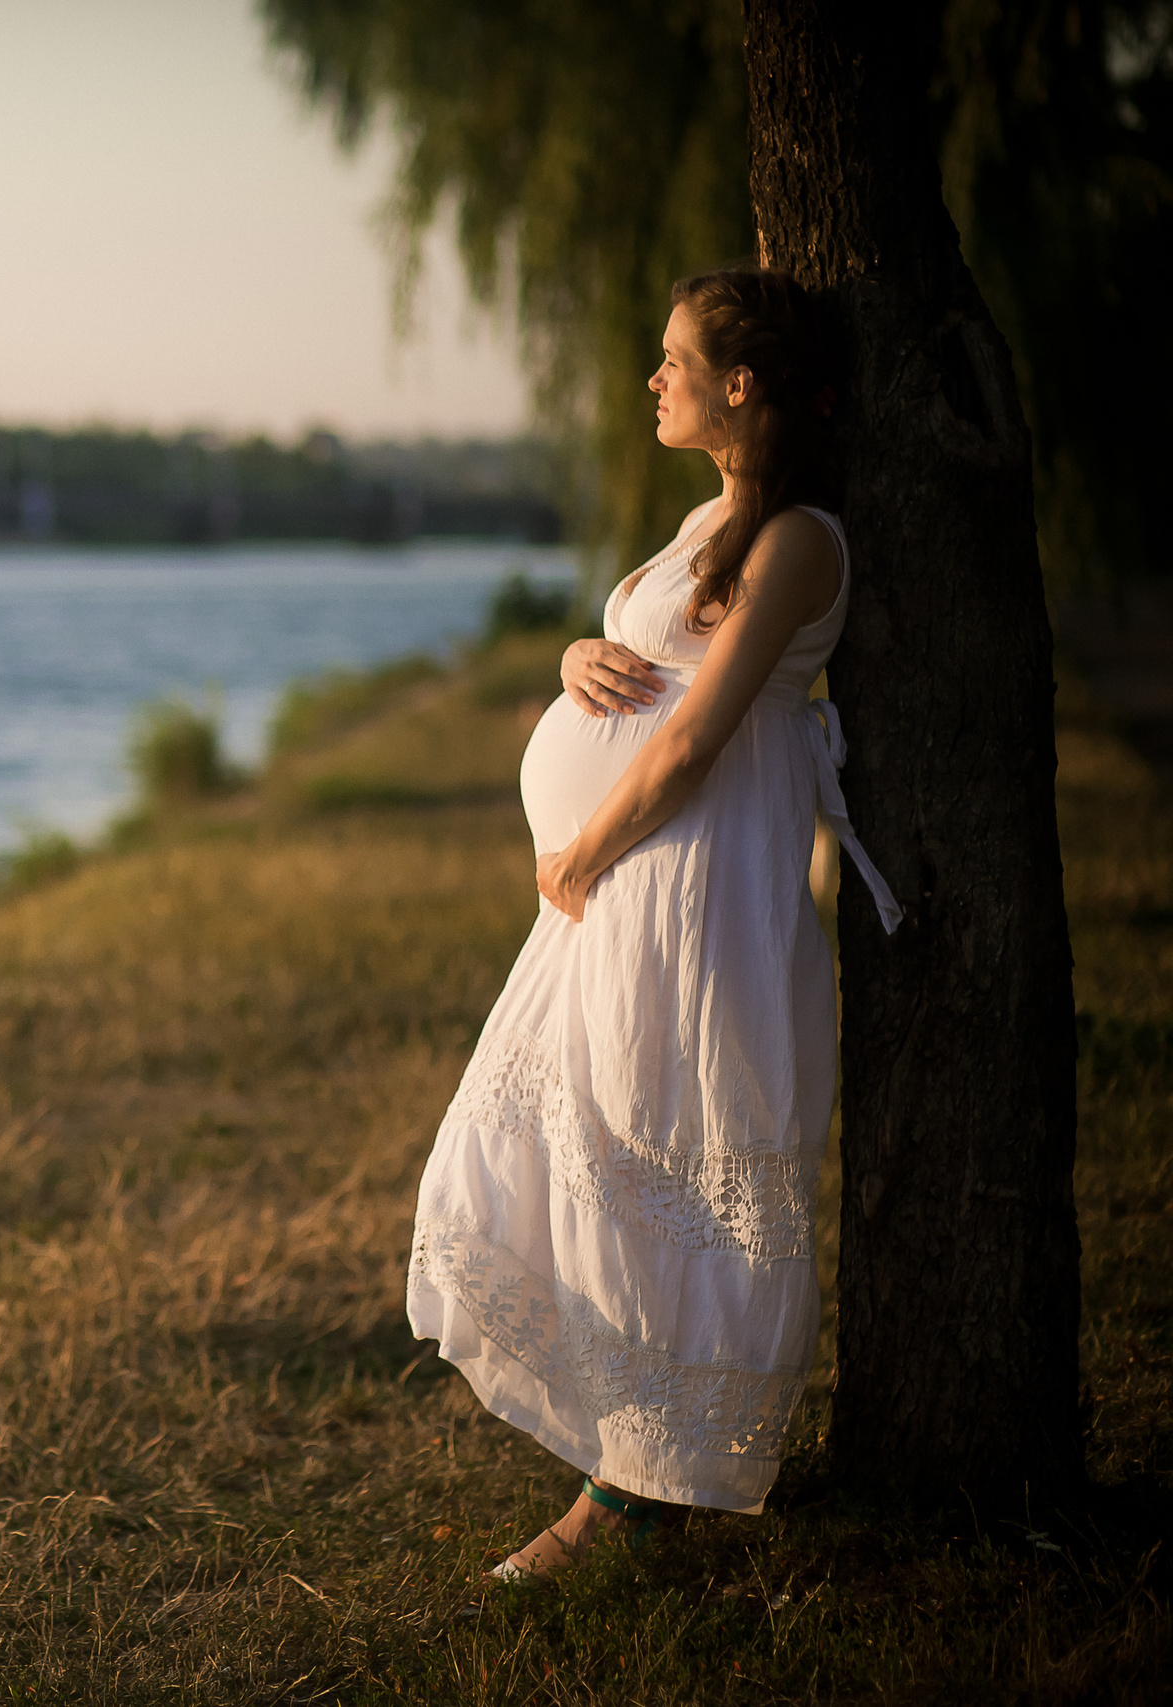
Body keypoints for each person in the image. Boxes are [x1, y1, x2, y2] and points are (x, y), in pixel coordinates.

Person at [405, 268, 903, 1579]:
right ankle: (632, 1478)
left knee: (677, 1159)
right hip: (629, 877)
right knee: (585, 1144)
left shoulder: (800, 538)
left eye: (672, 357)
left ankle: (632, 1512)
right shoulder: (707, 517)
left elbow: (693, 735)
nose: (652, 378)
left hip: (692, 882)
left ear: (741, 384)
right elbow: (638, 655)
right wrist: (576, 659)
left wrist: (584, 848)